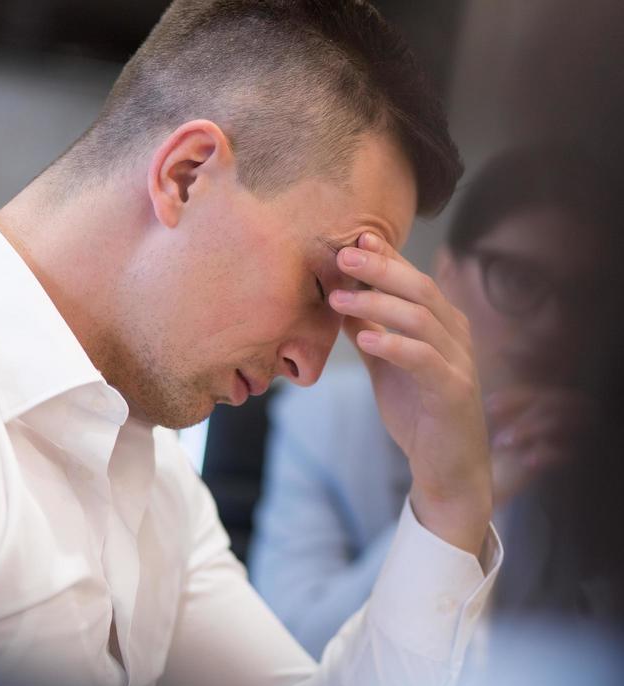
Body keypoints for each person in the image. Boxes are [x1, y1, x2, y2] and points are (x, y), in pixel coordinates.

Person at [0, 0, 501, 686]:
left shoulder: (155, 481)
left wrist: (450, 501)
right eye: (325, 286)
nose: (310, 369)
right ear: (186, 176)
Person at [249, 145, 613, 658]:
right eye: (518, 279)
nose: (553, 324)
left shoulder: (597, 452)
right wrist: (463, 498)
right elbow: (285, 644)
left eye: (584, 296)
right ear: (447, 274)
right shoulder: (327, 415)